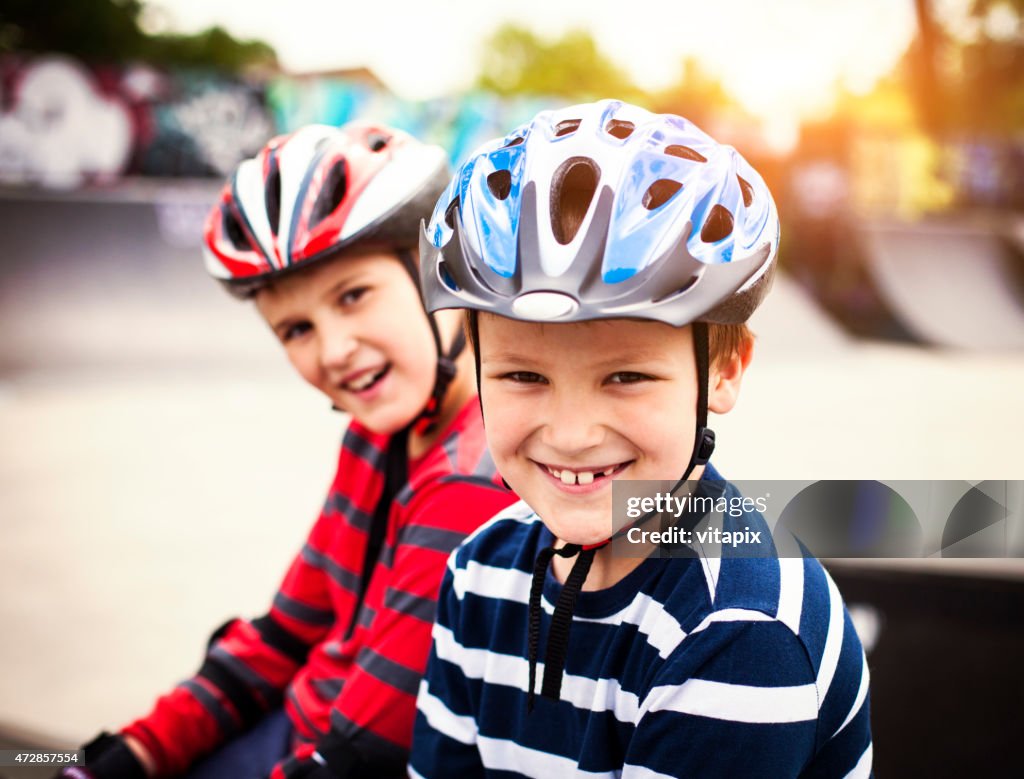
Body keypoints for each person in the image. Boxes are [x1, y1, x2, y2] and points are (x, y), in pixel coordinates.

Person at [410, 100, 873, 777]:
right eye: (522, 374)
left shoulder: (742, 630)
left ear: (723, 369)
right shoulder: (480, 569)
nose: (570, 434)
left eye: (625, 375)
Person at [64, 122, 516, 779]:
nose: (333, 351)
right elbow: (283, 632)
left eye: (353, 295)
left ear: (439, 272)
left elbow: (361, 755)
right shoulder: (374, 435)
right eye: (297, 329)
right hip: (290, 724)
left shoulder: (469, 481)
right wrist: (132, 752)